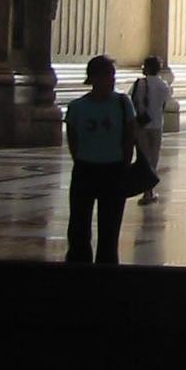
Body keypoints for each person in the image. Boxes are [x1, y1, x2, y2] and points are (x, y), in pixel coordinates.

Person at [65, 54, 136, 265]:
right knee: (79, 227)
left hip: (113, 170)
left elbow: (129, 135)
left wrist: (124, 162)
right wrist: (83, 157)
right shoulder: (77, 107)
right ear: (93, 78)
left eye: (112, 76)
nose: (111, 80)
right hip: (85, 169)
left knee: (109, 229)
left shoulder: (123, 103)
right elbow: (73, 138)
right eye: (107, 76)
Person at [130, 54, 171, 204]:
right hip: (156, 125)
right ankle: (150, 191)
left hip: (142, 125)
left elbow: (132, 102)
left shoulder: (140, 84)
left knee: (144, 158)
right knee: (153, 158)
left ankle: (147, 191)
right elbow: (165, 104)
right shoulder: (164, 85)